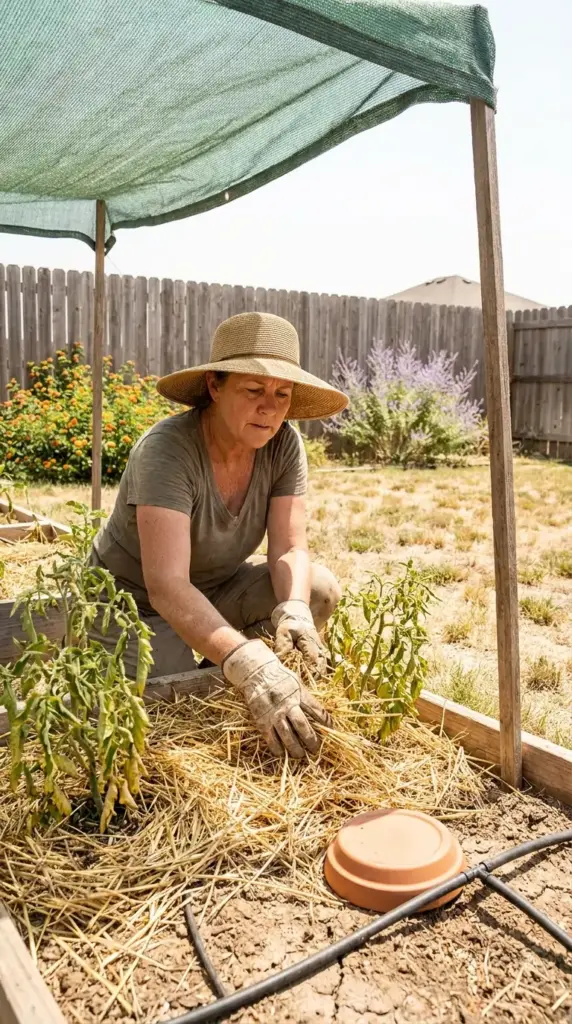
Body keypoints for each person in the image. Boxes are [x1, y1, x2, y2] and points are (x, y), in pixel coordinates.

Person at [90, 312, 348, 759]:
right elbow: (167, 586)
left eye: (281, 394)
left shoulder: (284, 445)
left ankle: (229, 664)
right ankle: (232, 666)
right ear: (214, 386)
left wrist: (293, 611)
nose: (269, 407)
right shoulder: (167, 450)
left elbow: (289, 546)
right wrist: (249, 662)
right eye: (253, 390)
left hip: (213, 589)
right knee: (175, 710)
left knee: (317, 590)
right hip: (131, 602)